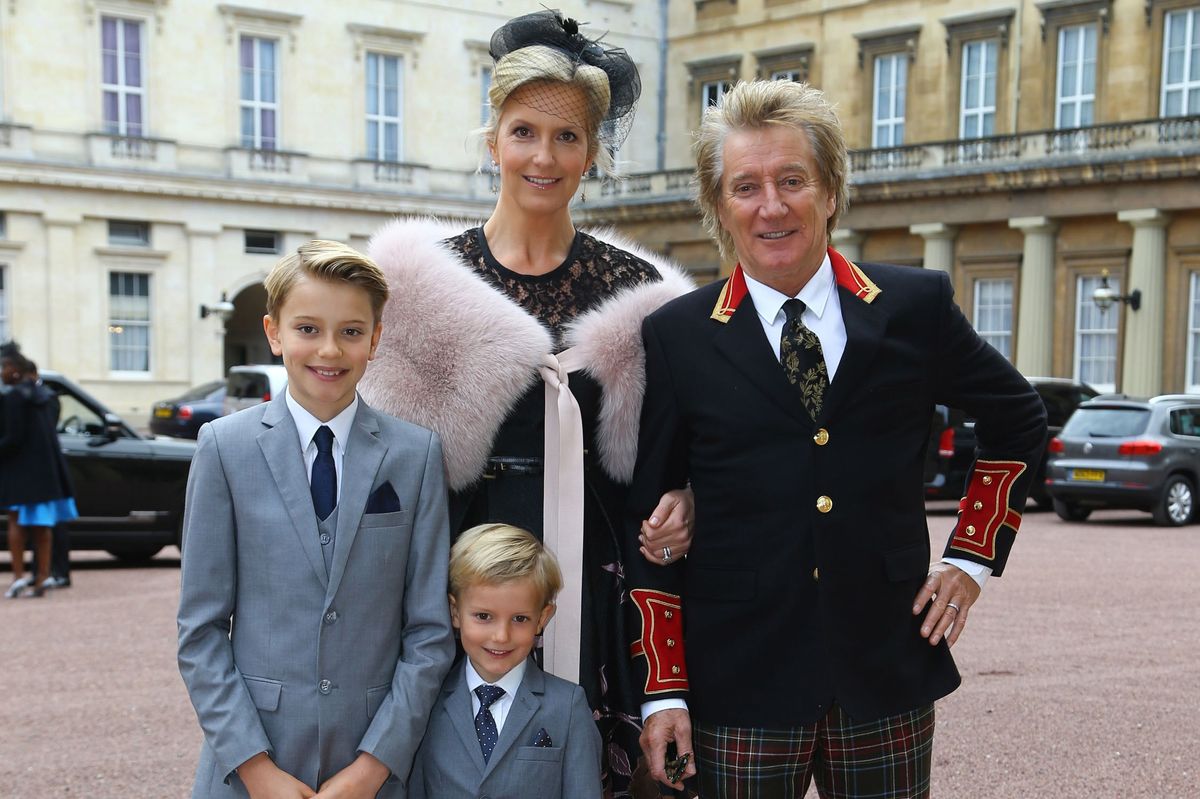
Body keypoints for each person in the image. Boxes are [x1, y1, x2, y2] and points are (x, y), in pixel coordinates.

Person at [623, 80, 1049, 798]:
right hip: (738, 678)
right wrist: (664, 691)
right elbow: (653, 522)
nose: (772, 205)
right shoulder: (676, 336)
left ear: (829, 190)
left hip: (884, 664)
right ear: (719, 207)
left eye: (793, 180)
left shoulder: (915, 306)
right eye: (746, 186)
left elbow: (1019, 417)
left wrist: (972, 557)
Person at [361, 10, 694, 796]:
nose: (544, 156)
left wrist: (687, 494)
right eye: (523, 132)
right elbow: (374, 464)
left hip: (603, 581)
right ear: (493, 141)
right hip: (462, 564)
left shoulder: (644, 297)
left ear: (593, 154)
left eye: (569, 137)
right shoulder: (415, 285)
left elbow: (686, 448)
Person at [176, 241, 455, 799]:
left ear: (375, 339)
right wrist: (256, 770)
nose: (329, 349)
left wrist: (374, 766)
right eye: (307, 329)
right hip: (253, 761)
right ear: (274, 332)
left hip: (373, 763)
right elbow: (201, 633)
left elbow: (429, 633)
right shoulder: (223, 449)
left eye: (351, 331)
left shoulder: (416, 454)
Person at [411, 523, 602, 798]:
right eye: (484, 616)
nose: (501, 636)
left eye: (520, 618)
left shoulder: (568, 706)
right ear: (455, 612)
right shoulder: (427, 701)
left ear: (542, 618)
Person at [1, 343, 78, 599]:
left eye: (3, 367)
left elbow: (13, 438)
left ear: (14, 370)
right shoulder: (43, 396)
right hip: (47, 470)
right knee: (43, 527)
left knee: (16, 523)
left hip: (21, 469)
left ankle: (18, 576)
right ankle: (42, 576)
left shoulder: (13, 397)